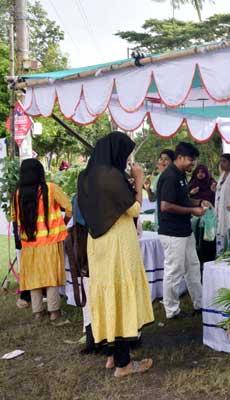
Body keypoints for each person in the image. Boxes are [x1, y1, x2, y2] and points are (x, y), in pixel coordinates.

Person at [77, 132, 154, 377]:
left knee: (108, 295)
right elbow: (134, 209)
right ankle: (124, 364)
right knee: (120, 296)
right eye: (126, 154)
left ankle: (111, 355)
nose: (128, 159)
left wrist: (127, 182)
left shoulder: (86, 175)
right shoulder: (111, 175)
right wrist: (139, 181)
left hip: (97, 242)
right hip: (118, 242)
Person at [157, 142, 210, 319]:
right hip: (172, 232)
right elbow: (166, 206)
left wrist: (199, 202)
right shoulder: (170, 176)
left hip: (184, 230)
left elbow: (182, 200)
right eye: (190, 160)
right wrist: (192, 211)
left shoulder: (180, 175)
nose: (192, 164)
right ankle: (172, 311)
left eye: (194, 161)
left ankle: (199, 303)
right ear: (179, 158)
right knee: (174, 271)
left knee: (193, 267)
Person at [13, 158, 72, 321]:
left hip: (29, 242)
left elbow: (14, 216)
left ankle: (37, 312)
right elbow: (69, 207)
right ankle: (54, 312)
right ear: (40, 172)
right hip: (51, 240)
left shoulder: (18, 193)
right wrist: (63, 223)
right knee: (51, 274)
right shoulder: (51, 189)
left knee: (34, 276)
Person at [189, 165, 217, 264]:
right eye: (198, 172)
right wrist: (191, 193)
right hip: (194, 217)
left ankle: (208, 257)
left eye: (203, 172)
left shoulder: (211, 184)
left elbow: (217, 201)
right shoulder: (192, 184)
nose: (200, 174)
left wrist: (214, 192)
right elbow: (184, 199)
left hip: (209, 215)